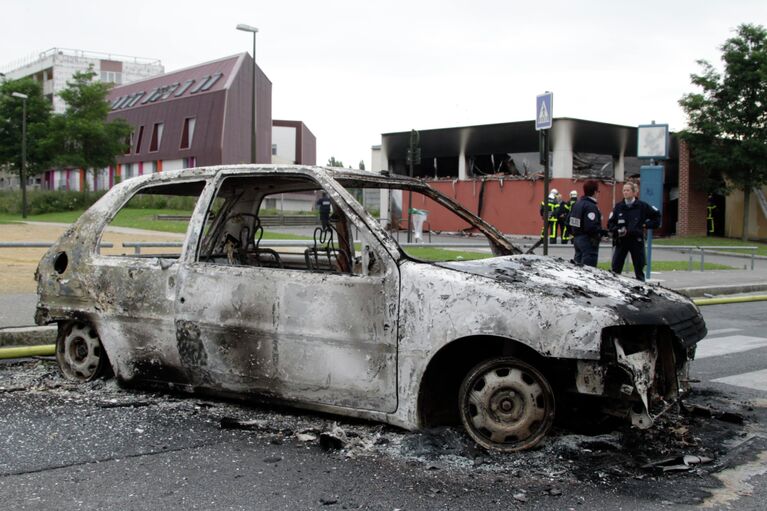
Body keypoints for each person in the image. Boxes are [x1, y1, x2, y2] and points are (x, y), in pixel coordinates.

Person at [608, 182, 661, 281]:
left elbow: (657, 217)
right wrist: (617, 230)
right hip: (621, 241)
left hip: (636, 241)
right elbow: (610, 223)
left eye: (628, 190)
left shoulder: (642, 206)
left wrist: (645, 225)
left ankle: (641, 288)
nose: (625, 192)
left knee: (639, 267)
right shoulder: (619, 206)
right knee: (616, 268)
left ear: (634, 192)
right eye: (624, 190)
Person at [568, 180, 606, 267]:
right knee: (588, 269)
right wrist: (602, 232)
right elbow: (591, 227)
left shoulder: (577, 204)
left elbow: (568, 221)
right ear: (595, 192)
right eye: (598, 191)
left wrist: (573, 233)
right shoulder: (590, 206)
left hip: (577, 239)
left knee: (577, 270)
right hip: (588, 241)